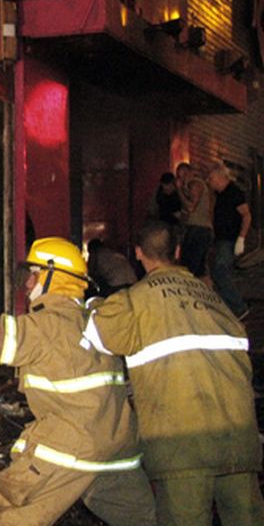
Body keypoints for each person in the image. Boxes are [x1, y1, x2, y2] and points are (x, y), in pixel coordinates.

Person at [0, 238, 155, 526]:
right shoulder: (95, 317)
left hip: (68, 447)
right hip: (116, 446)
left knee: (9, 514)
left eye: (33, 276)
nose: (27, 285)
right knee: (142, 521)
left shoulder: (49, 323)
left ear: (53, 276)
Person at [85, 221, 263, 525]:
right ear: (177, 251)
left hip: (184, 446)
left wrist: (91, 303)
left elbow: (99, 333)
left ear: (139, 254)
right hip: (238, 440)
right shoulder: (214, 299)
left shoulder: (136, 301)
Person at [208, 162, 252, 319]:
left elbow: (246, 215)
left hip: (229, 239)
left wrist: (241, 238)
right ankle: (227, 309)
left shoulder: (234, 192)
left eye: (212, 178)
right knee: (218, 273)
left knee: (221, 272)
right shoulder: (221, 194)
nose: (210, 182)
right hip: (221, 239)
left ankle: (239, 307)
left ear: (221, 177)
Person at [176, 162, 212, 278]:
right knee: (199, 269)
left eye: (184, 174)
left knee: (188, 267)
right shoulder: (191, 187)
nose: (183, 178)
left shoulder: (195, 184)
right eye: (180, 176)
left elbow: (191, 207)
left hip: (198, 229)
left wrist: (179, 190)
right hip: (197, 229)